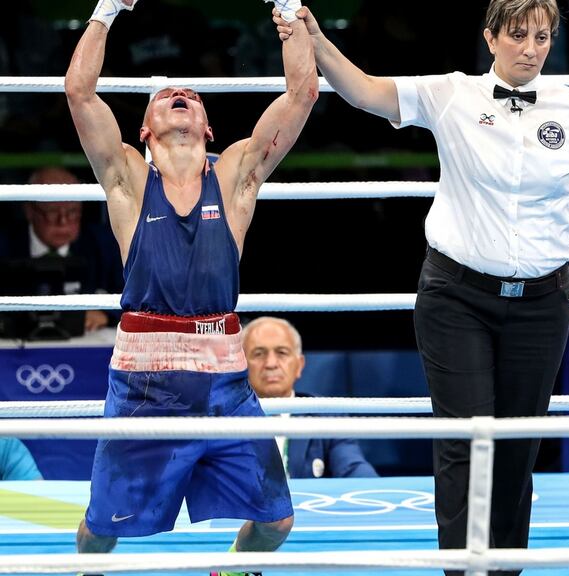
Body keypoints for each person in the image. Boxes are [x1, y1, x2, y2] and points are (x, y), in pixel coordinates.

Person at [273, 0, 569, 569]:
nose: (531, 48)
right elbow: (364, 90)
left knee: (517, 450)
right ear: (490, 38)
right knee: (466, 441)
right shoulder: (452, 94)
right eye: (518, 35)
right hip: (456, 298)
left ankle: (504, 568)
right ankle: (462, 569)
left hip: (541, 304)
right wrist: (314, 36)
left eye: (542, 37)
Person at [65, 0, 318, 573]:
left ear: (208, 128)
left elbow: (302, 93)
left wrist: (288, 13)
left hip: (224, 382)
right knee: (101, 529)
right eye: (164, 95)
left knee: (276, 521)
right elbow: (79, 92)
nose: (179, 92)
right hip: (142, 384)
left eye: (192, 97)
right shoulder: (127, 177)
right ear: (145, 128)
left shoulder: (234, 177)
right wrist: (106, 10)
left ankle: (227, 571)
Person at [242, 316, 378, 479]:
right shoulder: (225, 419)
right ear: (242, 365)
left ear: (299, 365)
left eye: (282, 353)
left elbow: (355, 471)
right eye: (259, 354)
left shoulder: (327, 417)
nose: (271, 363)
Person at [0, 167, 123, 337]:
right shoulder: (4, 245)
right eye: (52, 211)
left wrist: (108, 314)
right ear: (29, 211)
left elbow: (137, 294)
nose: (62, 221)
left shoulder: (105, 245)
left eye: (72, 212)